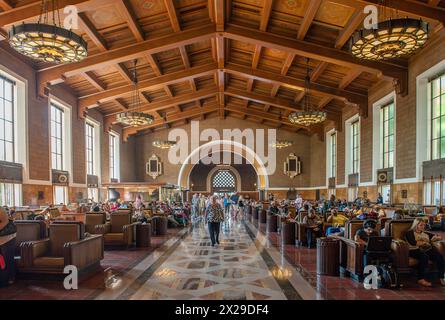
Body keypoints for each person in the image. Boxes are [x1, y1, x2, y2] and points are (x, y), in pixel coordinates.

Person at [405, 218, 445, 287]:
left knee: (439, 257)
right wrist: (426, 242)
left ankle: (441, 277)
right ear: (416, 225)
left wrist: (436, 238)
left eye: (424, 225)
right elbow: (413, 242)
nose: (423, 227)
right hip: (413, 250)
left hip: (425, 249)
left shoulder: (425, 233)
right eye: (421, 225)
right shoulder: (410, 232)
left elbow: (439, 237)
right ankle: (421, 279)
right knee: (424, 257)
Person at [0, 207, 16, 287]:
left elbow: (5, 222)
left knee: (7, 258)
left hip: (7, 237)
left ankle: (10, 277)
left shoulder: (0, 210)